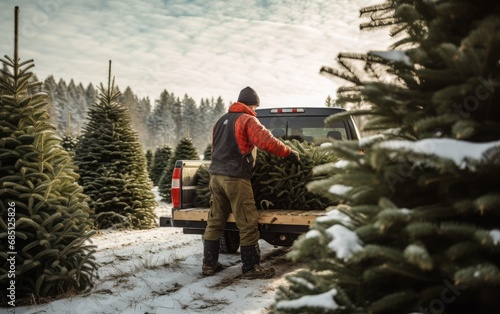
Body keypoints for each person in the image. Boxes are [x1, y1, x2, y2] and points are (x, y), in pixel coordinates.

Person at [202, 86, 300, 279]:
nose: (255, 111)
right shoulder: (247, 119)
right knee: (247, 221)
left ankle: (208, 265)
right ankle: (251, 268)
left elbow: (215, 148)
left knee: (214, 221)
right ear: (253, 104)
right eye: (255, 107)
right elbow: (266, 141)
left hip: (216, 177)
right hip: (236, 177)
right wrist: (288, 153)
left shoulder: (221, 121)